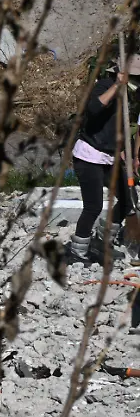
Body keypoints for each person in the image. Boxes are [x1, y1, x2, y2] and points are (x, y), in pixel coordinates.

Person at [66, 55, 140, 263]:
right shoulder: (104, 86)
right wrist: (117, 85)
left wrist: (126, 155)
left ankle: (102, 241)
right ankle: (78, 252)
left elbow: (119, 129)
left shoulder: (128, 97)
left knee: (127, 200)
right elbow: (94, 109)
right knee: (94, 205)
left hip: (111, 156)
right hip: (89, 154)